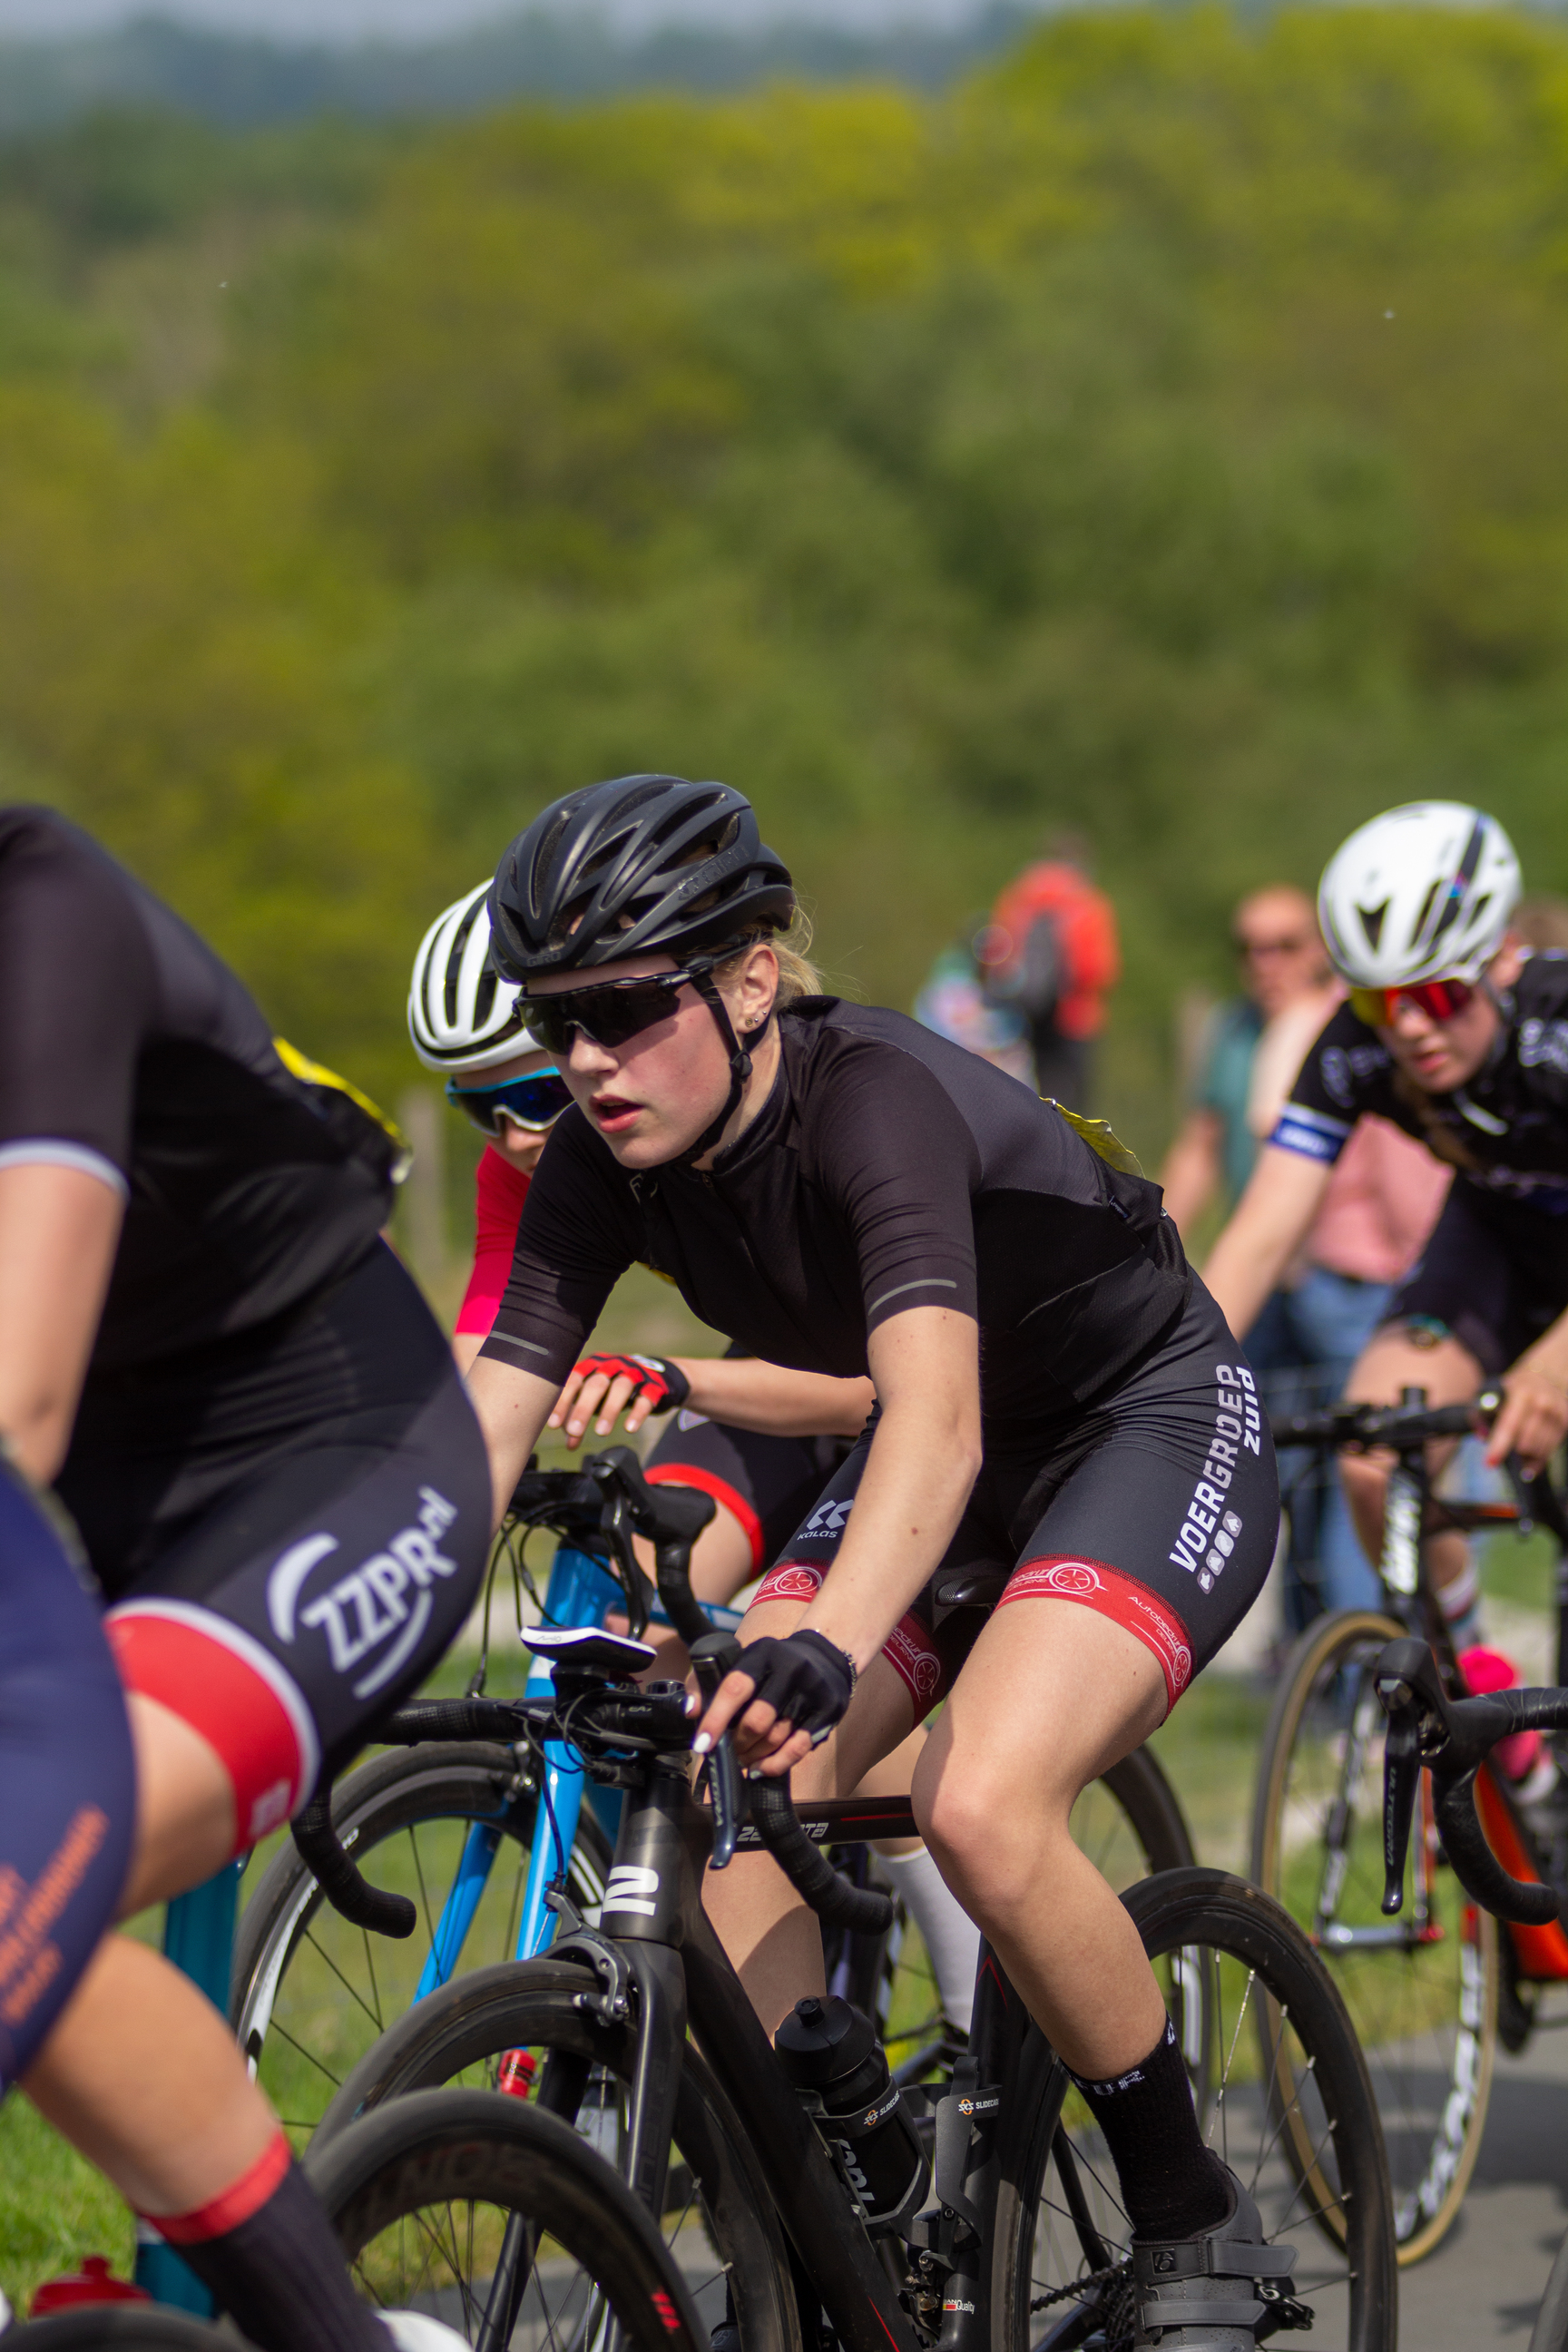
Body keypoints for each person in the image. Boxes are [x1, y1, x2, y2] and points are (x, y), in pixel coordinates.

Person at [463, 770, 1286, 2328]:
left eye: (627, 1007)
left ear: (752, 974)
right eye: (555, 1017)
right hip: (939, 1447)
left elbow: (934, 1423)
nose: (584, 1058)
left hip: (1136, 1419)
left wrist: (825, 1639)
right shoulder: (592, 1154)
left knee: (979, 1801)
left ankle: (1190, 2213)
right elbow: (485, 1425)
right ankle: (855, 2151)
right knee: (701, 1770)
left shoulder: (872, 1101)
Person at [1, 805, 486, 2350]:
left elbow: (18, 1405)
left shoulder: (41, 911)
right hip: (96, 1526)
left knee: (20, 1883)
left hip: (330, 1463)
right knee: (36, 1945)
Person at [411, 883, 981, 2032]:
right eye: (488, 1109)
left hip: (850, 1377)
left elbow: (885, 1391)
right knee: (641, 1646)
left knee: (825, 1707)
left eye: (531, 1094)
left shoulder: (797, 1116)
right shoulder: (548, 1166)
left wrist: (682, 1379)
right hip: (750, 1381)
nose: (529, 1130)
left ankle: (974, 1994)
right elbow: (481, 1393)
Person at [1203, 802, 1568, 1651]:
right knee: (1373, 1460)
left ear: (1504, 959)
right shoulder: (1348, 1048)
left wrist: (1554, 1359)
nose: (1409, 1027)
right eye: (1380, 1000)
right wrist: (1170, 1382)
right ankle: (1485, 1694)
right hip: (1500, 1235)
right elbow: (1259, 1236)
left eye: (1439, 992)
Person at [1165, 887, 1449, 1625]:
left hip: (1352, 1279)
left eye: (1285, 944)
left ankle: (1364, 1667)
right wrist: (1156, 1250)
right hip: (1275, 1282)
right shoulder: (1233, 1032)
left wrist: (1419, 1276)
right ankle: (1312, 1654)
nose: (1266, 963)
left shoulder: (1343, 1028)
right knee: (1280, 1470)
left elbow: (1399, 1163)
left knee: (1366, 1467)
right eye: (1251, 947)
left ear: (1319, 949)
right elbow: (1203, 1146)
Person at [976, 832, 1120, 1108]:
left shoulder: (1019, 895)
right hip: (1075, 1019)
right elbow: (1099, 971)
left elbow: (994, 953)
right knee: (1072, 1115)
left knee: (1023, 1103)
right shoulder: (1090, 903)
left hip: (1019, 1017)